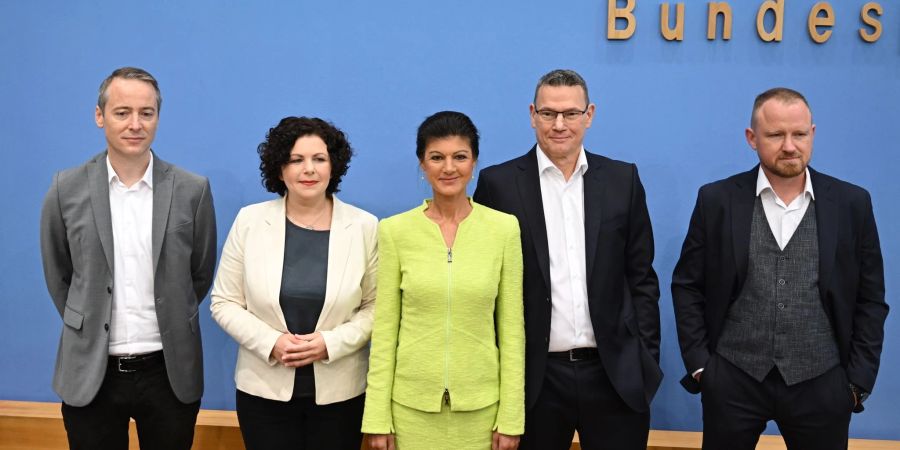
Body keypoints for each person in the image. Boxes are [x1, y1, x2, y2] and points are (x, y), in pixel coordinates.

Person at [671, 87, 888, 450]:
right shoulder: (717, 200)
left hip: (822, 384)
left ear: (812, 134)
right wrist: (703, 368)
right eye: (776, 135)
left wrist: (855, 383)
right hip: (733, 380)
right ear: (752, 139)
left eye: (799, 134)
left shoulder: (852, 203)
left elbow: (870, 298)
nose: (789, 145)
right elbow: (688, 286)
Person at [473, 69, 662, 450]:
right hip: (536, 381)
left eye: (571, 113)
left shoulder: (622, 179)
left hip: (614, 376)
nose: (559, 124)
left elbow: (641, 277)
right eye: (548, 113)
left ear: (589, 115)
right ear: (532, 115)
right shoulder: (499, 184)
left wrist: (644, 359)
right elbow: (485, 286)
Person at [39, 66, 217, 449]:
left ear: (157, 117)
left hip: (168, 372)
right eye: (122, 112)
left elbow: (199, 275)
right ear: (100, 116)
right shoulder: (64, 188)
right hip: (92, 371)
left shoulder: (192, 190)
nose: (135, 124)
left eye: (146, 113)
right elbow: (59, 276)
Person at [210, 117, 377, 450]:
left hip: (341, 397)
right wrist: (272, 342)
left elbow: (376, 306)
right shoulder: (250, 221)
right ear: (279, 168)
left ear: (334, 166)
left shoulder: (364, 226)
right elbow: (224, 301)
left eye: (319, 159)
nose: (309, 169)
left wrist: (330, 343)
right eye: (296, 160)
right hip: (263, 394)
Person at [362, 111, 524, 450]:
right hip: (409, 410)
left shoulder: (504, 229)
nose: (448, 168)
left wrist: (511, 417)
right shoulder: (394, 231)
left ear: (474, 162)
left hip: (482, 411)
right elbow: (385, 329)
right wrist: (377, 417)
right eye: (437, 157)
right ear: (423, 163)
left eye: (459, 157)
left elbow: (512, 332)